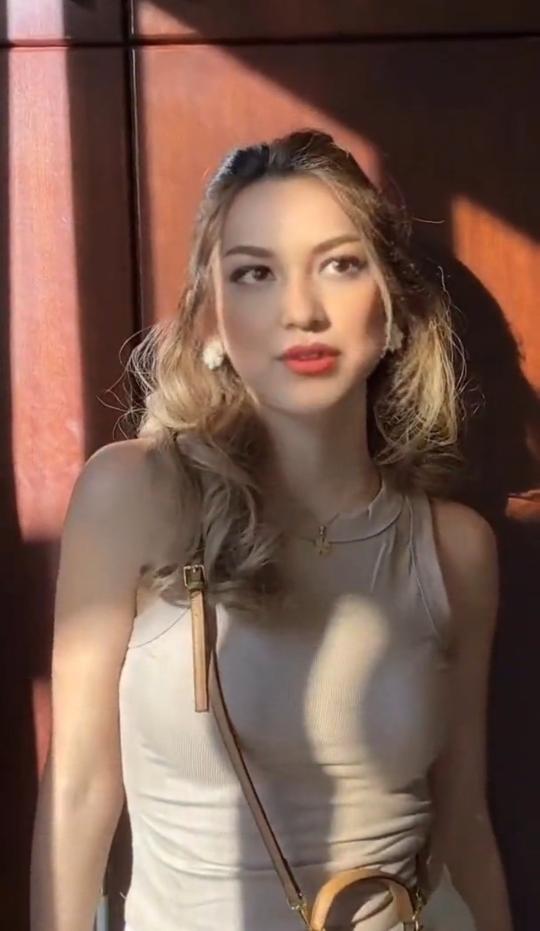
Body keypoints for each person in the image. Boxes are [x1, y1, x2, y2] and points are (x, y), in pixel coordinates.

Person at [30, 128, 513, 931]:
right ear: (211, 323)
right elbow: (78, 792)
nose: (301, 311)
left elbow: (465, 823)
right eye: (255, 272)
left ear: (392, 312)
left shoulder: (454, 548)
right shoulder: (133, 496)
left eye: (341, 264)